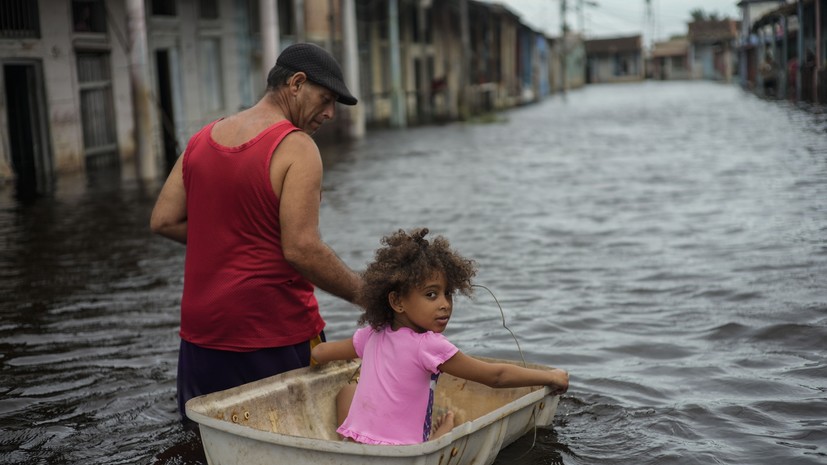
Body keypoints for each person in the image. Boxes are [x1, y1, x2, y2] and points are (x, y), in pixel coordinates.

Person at [149, 43, 362, 423]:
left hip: (201, 336)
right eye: (326, 98)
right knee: (294, 441)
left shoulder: (202, 138)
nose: (330, 113)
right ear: (296, 83)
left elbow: (163, 219)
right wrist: (371, 297)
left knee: (207, 443)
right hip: (271, 334)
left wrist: (231, 236)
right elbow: (302, 249)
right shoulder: (297, 148)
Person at [311, 228, 569, 445]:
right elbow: (496, 376)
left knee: (347, 389)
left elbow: (320, 353)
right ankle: (443, 433)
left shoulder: (372, 334)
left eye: (448, 294)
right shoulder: (429, 346)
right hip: (404, 454)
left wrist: (317, 356)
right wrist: (551, 377)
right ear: (397, 301)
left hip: (358, 447)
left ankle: (348, 442)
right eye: (431, 295)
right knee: (447, 427)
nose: (445, 304)